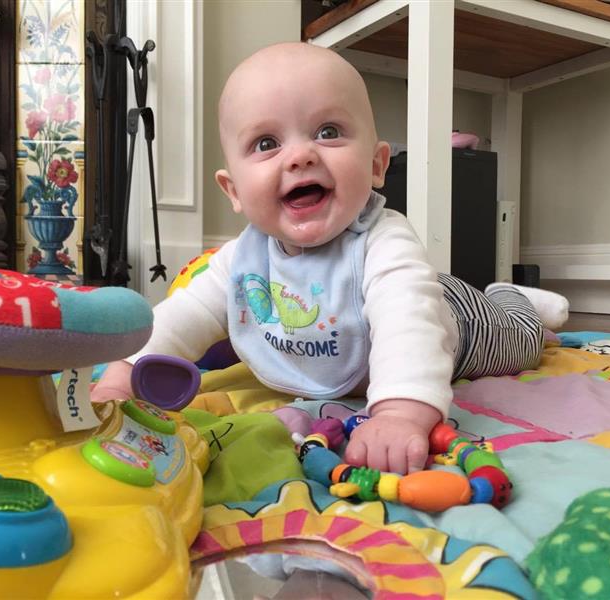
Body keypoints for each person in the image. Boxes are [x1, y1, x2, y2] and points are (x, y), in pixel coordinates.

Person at [93, 42, 568, 475]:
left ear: (377, 165)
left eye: (328, 131)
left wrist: (401, 411)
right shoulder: (243, 261)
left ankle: (515, 299)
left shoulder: (382, 238)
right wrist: (125, 371)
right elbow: (184, 315)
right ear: (233, 191)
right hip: (387, 313)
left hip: (452, 317)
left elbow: (409, 321)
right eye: (266, 143)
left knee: (521, 342)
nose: (299, 155)